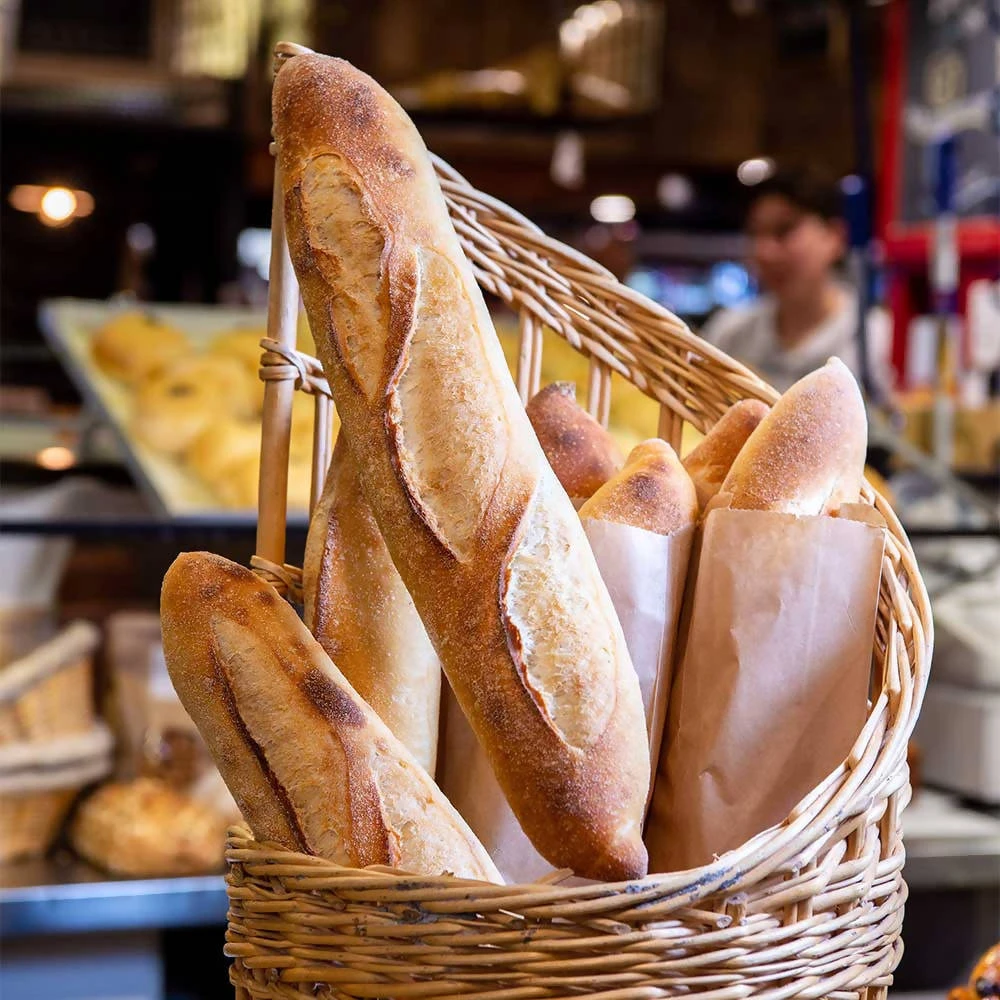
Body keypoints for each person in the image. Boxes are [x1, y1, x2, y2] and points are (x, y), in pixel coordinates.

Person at [703, 171, 894, 398]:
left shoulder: (877, 339)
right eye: (755, 234)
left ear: (834, 237)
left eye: (783, 231)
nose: (765, 252)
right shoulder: (728, 334)